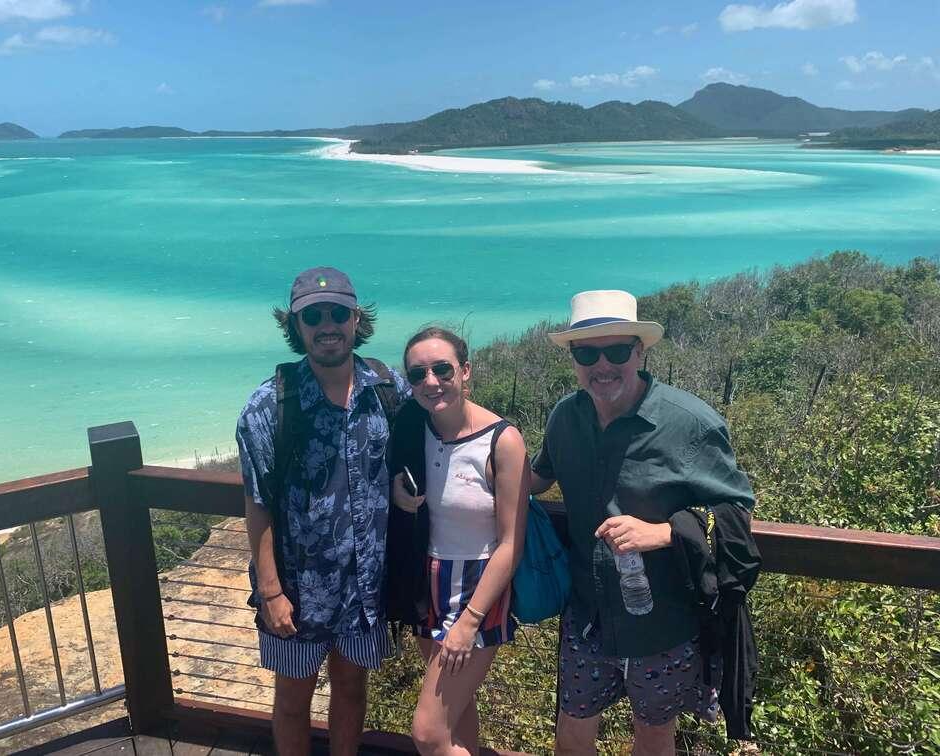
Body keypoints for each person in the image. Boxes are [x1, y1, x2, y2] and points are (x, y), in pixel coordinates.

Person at [530, 291, 757, 756]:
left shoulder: (689, 424)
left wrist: (668, 533)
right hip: (587, 617)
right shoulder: (564, 419)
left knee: (653, 737)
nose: (603, 365)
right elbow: (535, 477)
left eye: (617, 351)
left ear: (640, 351)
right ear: (573, 358)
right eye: (587, 352)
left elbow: (738, 510)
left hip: (663, 624)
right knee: (571, 737)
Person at [237, 267, 411, 756]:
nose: (327, 324)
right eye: (313, 315)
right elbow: (257, 504)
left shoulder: (386, 387)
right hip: (296, 590)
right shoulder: (270, 405)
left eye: (338, 312)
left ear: (356, 319)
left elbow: (442, 420)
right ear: (296, 326)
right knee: (293, 701)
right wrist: (270, 592)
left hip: (365, 588)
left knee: (352, 692)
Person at [390, 327, 530, 756]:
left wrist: (469, 622)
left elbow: (511, 543)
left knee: (429, 733)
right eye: (418, 374)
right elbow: (396, 473)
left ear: (465, 371)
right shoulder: (413, 425)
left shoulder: (502, 441)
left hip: (476, 586)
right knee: (456, 713)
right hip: (425, 580)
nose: (430, 382)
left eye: (442, 369)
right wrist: (398, 491)